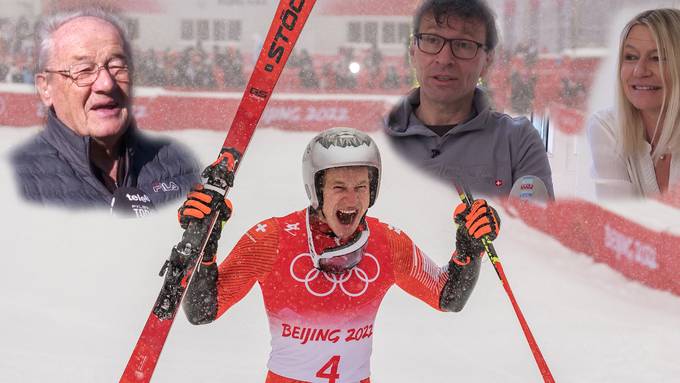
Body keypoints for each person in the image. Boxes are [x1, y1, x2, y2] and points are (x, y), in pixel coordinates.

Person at [178, 127, 501, 383]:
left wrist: (469, 248)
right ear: (316, 189)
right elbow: (202, 311)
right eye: (338, 187)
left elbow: (448, 298)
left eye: (361, 187)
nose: (351, 199)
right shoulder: (271, 239)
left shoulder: (387, 242)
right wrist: (204, 245)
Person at [11, 8, 200, 208]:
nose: (106, 84)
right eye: (83, 71)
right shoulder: (16, 181)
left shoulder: (179, 165)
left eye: (117, 66)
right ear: (45, 88)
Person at [383, 0, 554, 198]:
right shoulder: (376, 138)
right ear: (413, 50)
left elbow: (533, 226)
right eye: (432, 40)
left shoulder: (517, 143)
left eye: (463, 45)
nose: (445, 59)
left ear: (487, 60)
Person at [587, 8, 680, 198]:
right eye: (630, 57)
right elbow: (618, 221)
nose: (639, 71)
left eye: (657, 58)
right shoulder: (607, 127)